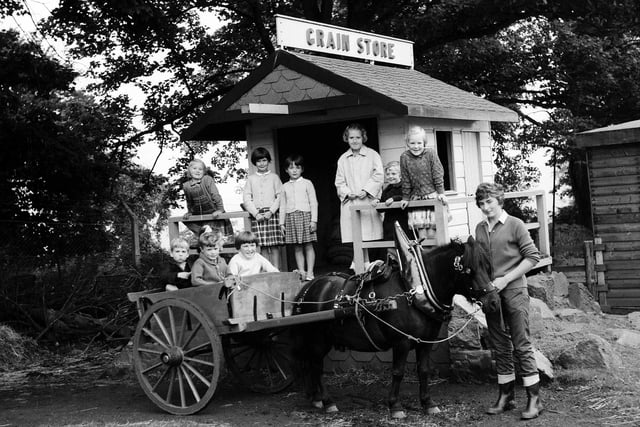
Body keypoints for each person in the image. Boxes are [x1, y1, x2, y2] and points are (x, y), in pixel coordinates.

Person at [474, 182, 543, 420]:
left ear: (499, 201)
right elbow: (480, 264)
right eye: (481, 203)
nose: (486, 207)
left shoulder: (515, 224)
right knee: (499, 345)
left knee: (521, 343)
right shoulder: (480, 228)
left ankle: (534, 399)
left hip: (513, 290)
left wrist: (506, 279)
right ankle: (506, 396)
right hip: (491, 294)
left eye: (489, 202)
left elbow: (532, 256)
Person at [335, 123, 384, 266]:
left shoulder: (372, 155)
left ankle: (365, 263)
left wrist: (367, 190)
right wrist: (347, 193)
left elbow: (379, 175)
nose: (354, 140)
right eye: (351, 137)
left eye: (358, 137)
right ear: (346, 138)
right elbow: (339, 182)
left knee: (367, 234)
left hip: (366, 200)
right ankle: (361, 263)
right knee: (356, 236)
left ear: (363, 138)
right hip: (351, 202)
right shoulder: (343, 159)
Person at [398, 126, 448, 240]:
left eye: (419, 143)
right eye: (412, 143)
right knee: (422, 237)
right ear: (407, 143)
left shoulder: (430, 153)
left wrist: (441, 192)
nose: (416, 146)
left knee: (432, 234)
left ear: (424, 142)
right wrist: (405, 197)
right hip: (417, 199)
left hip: (432, 196)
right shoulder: (404, 157)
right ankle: (425, 258)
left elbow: (437, 173)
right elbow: (405, 179)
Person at [243, 147, 285, 269]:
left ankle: (277, 271)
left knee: (274, 245)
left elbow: (280, 196)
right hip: (258, 215)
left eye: (264, 160)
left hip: (271, 214)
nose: (261, 164)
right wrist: (256, 213)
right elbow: (246, 198)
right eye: (258, 161)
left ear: (268, 161)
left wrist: (271, 211)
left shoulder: (274, 177)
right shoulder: (251, 179)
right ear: (254, 163)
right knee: (264, 246)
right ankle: (268, 271)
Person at [279, 154, 318, 280]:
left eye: (297, 167)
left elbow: (313, 202)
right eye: (291, 168)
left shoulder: (307, 183)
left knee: (308, 245)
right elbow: (283, 205)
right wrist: (281, 223)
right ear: (286, 170)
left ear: (302, 169)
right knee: (297, 247)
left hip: (305, 216)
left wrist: (314, 220)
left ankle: (310, 273)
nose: (294, 170)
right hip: (291, 218)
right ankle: (302, 272)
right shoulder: (284, 186)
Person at [182, 158, 233, 242]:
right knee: (185, 220)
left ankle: (222, 245)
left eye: (200, 169)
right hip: (199, 215)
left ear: (204, 171)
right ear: (189, 171)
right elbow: (189, 201)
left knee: (218, 240)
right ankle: (202, 230)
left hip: (213, 212)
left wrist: (220, 209)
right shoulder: (186, 186)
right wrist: (189, 212)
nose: (197, 171)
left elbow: (215, 195)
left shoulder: (207, 180)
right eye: (194, 168)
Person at [379, 161, 409, 242]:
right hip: (389, 224)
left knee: (405, 245)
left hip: (403, 221)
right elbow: (380, 208)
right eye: (388, 174)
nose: (390, 176)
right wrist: (376, 202)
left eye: (393, 174)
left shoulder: (405, 186)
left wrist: (394, 199)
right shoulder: (387, 189)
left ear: (400, 175)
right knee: (391, 248)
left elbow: (407, 196)